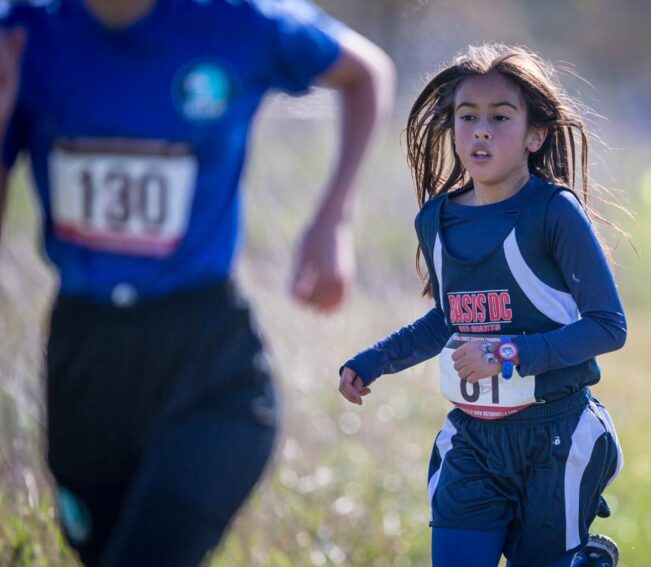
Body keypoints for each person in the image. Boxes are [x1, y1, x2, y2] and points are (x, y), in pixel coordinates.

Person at [0, 0, 394, 565]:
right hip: (82, 357)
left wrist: (335, 217)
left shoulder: (238, 21)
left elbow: (365, 72)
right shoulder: (24, 36)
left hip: (208, 363)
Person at [339, 43, 626, 567]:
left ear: (535, 135)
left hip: (556, 435)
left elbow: (608, 327)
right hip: (473, 441)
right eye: (467, 117)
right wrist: (374, 360)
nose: (481, 131)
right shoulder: (435, 221)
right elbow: (449, 320)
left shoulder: (553, 212)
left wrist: (510, 352)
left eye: (500, 117)